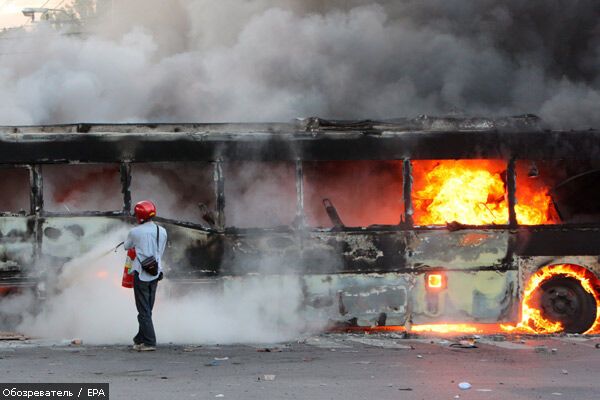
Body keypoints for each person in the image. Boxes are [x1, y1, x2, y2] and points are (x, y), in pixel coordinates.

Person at [124, 200, 167, 351]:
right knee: (147, 308)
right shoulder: (161, 231)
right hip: (156, 272)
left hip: (142, 273)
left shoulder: (135, 232)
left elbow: (126, 246)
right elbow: (160, 251)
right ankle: (139, 338)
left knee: (143, 309)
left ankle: (149, 342)